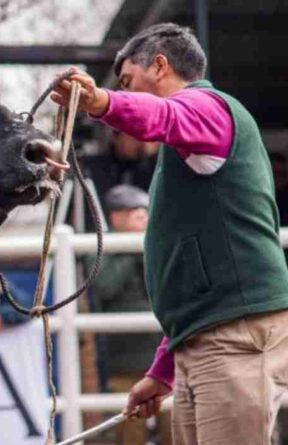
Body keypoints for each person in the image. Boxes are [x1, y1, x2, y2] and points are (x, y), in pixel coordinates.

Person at [51, 23, 288, 444]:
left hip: (232, 339)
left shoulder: (208, 107)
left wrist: (101, 102)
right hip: (211, 340)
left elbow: (162, 115)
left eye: (128, 82)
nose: (123, 93)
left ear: (160, 66)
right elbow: (194, 277)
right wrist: (164, 369)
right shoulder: (190, 140)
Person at [91, 185, 171, 445]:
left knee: (175, 427)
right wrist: (131, 249)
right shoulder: (102, 248)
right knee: (129, 432)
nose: (143, 217)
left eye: (144, 211)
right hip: (124, 358)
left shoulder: (158, 243)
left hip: (164, 354)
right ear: (115, 217)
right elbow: (104, 287)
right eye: (134, 212)